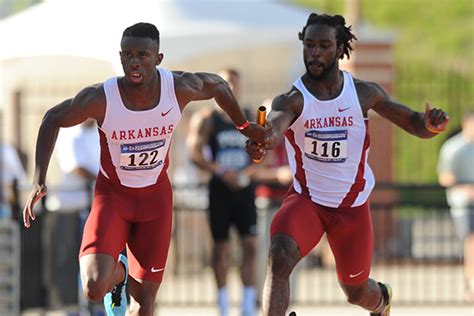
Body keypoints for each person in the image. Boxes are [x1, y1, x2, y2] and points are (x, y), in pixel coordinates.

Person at [22, 22, 267, 316]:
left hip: (155, 200)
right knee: (93, 286)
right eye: (127, 55)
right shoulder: (102, 98)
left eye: (143, 55)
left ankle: (127, 279)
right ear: (120, 57)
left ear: (158, 58)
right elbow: (52, 118)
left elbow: (218, 85)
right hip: (113, 197)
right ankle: (119, 275)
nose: (134, 62)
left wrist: (244, 126)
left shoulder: (178, 88)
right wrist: (39, 179)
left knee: (144, 305)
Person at [246, 13, 450, 316]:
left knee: (357, 292)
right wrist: (263, 138)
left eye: (324, 46)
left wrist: (431, 124)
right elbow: (274, 128)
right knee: (279, 255)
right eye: (310, 45)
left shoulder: (364, 93)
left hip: (351, 207)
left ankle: (382, 299)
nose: (315, 53)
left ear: (340, 49)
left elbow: (414, 124)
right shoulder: (292, 100)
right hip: (308, 202)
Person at [187, 68, 259, 316]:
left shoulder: (249, 116)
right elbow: (194, 153)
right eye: (225, 84)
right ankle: (224, 306)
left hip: (244, 189)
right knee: (221, 249)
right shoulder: (207, 118)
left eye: (233, 84)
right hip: (220, 189)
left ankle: (248, 305)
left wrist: (246, 174)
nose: (230, 88)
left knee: (250, 245)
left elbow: (265, 154)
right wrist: (220, 171)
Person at [437, 111, 474, 302]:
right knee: (471, 242)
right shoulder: (454, 147)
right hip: (463, 204)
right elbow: (445, 176)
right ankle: (472, 283)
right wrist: (467, 189)